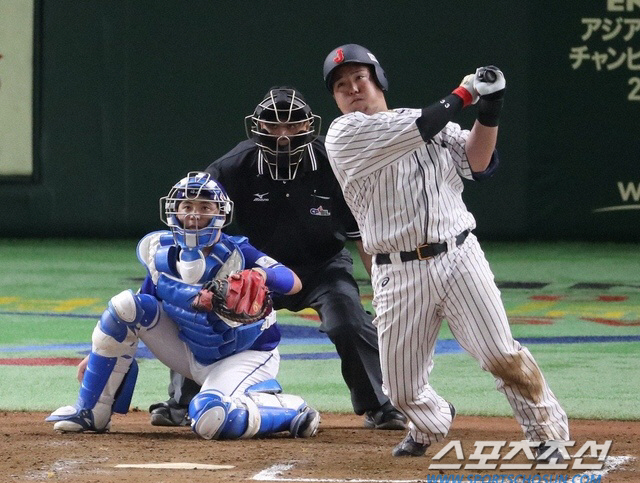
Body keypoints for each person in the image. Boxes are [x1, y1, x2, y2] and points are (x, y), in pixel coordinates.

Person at [321, 43, 569, 458]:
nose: (352, 88)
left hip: (458, 256)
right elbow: (416, 128)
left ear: (378, 79)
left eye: (360, 78)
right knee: (399, 388)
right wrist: (465, 94)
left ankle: (547, 435)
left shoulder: (432, 123)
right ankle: (430, 420)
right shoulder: (344, 134)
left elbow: (477, 163)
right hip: (397, 270)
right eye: (341, 85)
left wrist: (491, 108)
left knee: (502, 355)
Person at [149, 87, 406, 431]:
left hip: (322, 267)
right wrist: (204, 272)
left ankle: (380, 404)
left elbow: (362, 236)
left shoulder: (334, 164)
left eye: (293, 125)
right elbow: (194, 210)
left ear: (308, 126)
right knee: (201, 315)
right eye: (272, 126)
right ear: (256, 127)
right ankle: (181, 402)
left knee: (348, 321)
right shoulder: (233, 166)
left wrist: (383, 288)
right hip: (253, 271)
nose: (283, 136)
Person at [46, 171, 320, 441]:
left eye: (204, 207)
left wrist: (262, 275)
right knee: (125, 305)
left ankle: (291, 409)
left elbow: (292, 282)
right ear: (174, 211)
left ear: (220, 213)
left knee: (210, 419)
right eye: (186, 206)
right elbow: (141, 307)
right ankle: (91, 411)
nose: (194, 214)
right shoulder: (160, 252)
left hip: (245, 355)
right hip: (192, 352)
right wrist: (99, 357)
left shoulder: (238, 252)